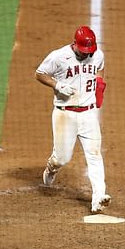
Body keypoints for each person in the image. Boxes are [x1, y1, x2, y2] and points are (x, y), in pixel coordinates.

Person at [35, 26, 111, 214]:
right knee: (62, 158)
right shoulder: (58, 56)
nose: (87, 55)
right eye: (83, 51)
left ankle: (98, 197)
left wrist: (99, 85)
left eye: (89, 52)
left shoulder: (97, 55)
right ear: (75, 44)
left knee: (94, 154)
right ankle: (51, 169)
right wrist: (57, 84)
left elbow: (100, 69)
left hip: (88, 115)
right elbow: (40, 73)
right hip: (64, 114)